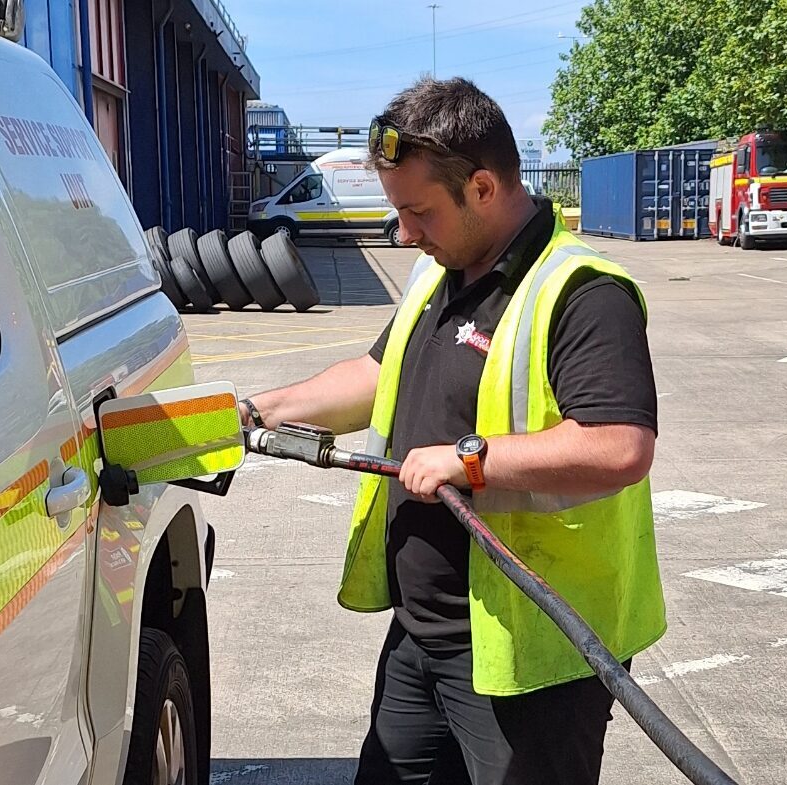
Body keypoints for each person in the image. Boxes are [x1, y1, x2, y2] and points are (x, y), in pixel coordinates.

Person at [239, 77, 665, 785]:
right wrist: (260, 411)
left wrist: (469, 460)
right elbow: (378, 377)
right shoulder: (437, 272)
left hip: (533, 655)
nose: (405, 232)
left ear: (484, 188)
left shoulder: (582, 292)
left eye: (419, 211)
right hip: (424, 639)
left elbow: (620, 444)